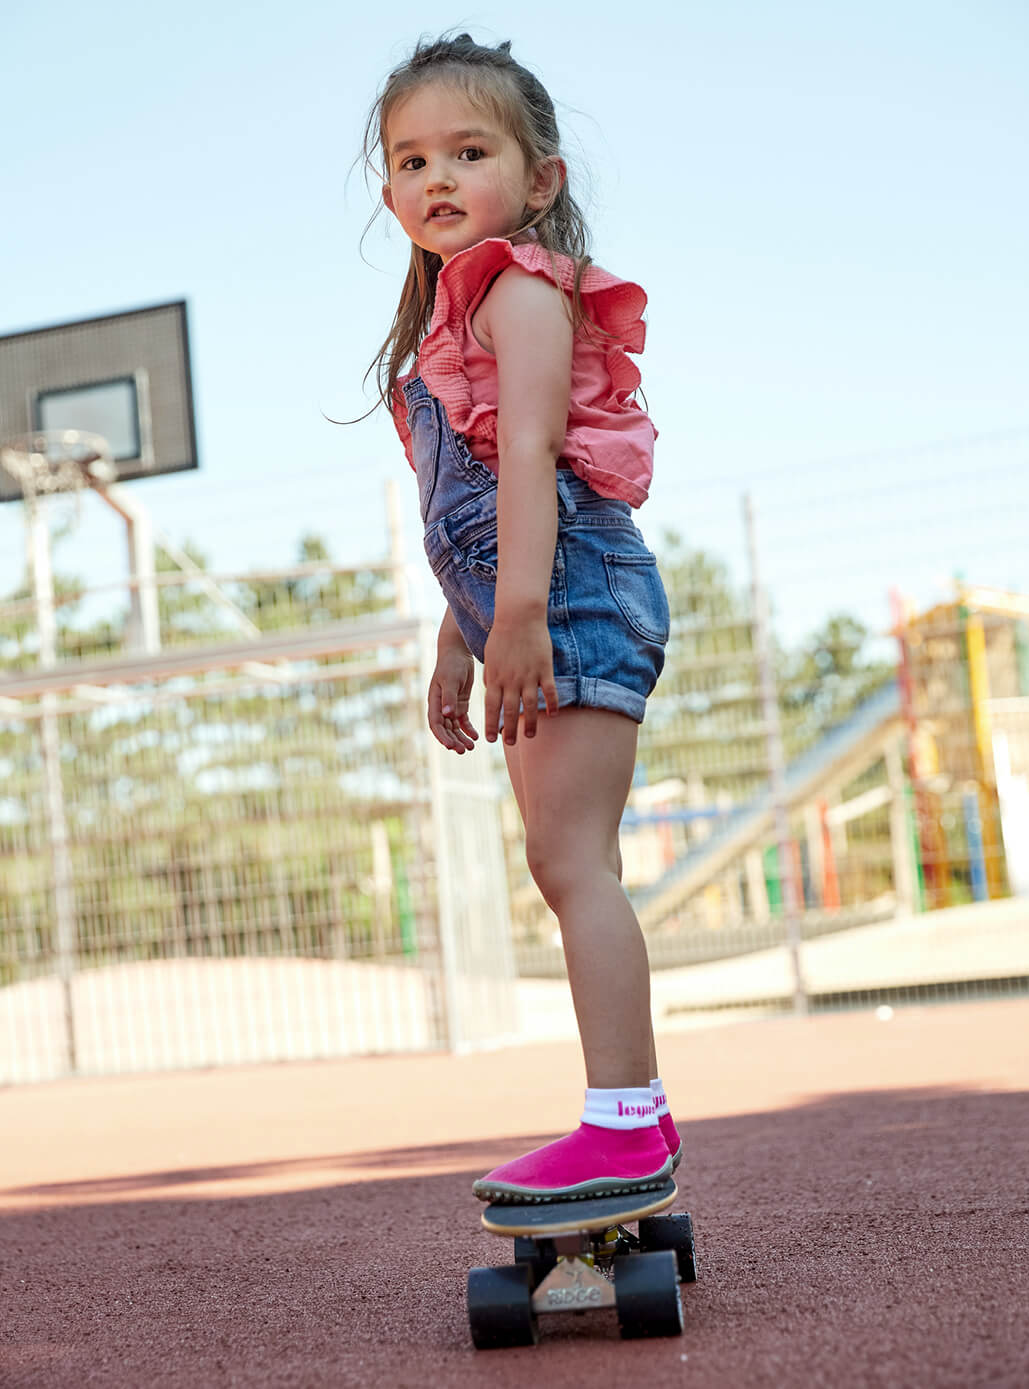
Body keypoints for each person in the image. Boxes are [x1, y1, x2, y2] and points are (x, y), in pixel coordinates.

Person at [360, 32, 683, 1202]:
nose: (434, 178)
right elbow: (477, 502)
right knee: (563, 862)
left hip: (572, 593)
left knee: (571, 861)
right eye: (408, 161)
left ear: (539, 177)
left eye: (467, 150)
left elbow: (536, 462)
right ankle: (626, 1119)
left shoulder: (524, 293)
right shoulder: (445, 331)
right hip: (526, 601)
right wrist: (461, 637)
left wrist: (520, 618)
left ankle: (625, 1124)